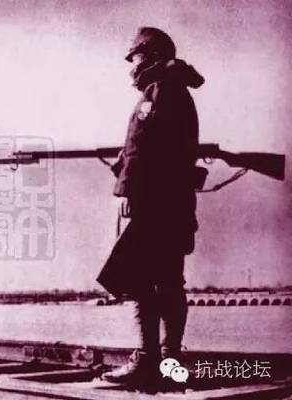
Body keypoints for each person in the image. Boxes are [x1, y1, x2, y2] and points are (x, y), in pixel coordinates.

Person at [96, 27, 205, 390]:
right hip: (174, 202)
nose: (133, 63)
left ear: (152, 55)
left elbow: (142, 145)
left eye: (137, 56)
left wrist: (127, 186)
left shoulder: (158, 89)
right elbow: (161, 148)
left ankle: (146, 362)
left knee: (143, 280)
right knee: (170, 281)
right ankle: (170, 363)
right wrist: (123, 162)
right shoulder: (174, 87)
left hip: (154, 202)